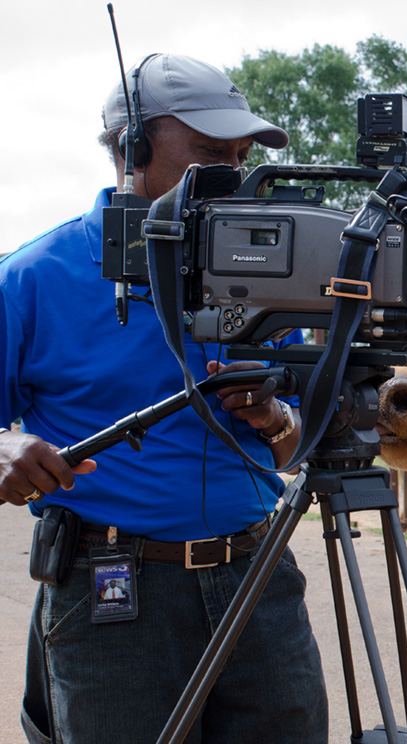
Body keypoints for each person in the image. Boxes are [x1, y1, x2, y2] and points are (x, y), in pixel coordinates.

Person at [0, 54, 328, 743]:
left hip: (258, 578)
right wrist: (5, 446)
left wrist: (274, 416)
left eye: (240, 158)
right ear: (133, 149)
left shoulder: (274, 272)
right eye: (210, 155)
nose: (232, 176)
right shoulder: (33, 278)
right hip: (112, 592)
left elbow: (306, 445)